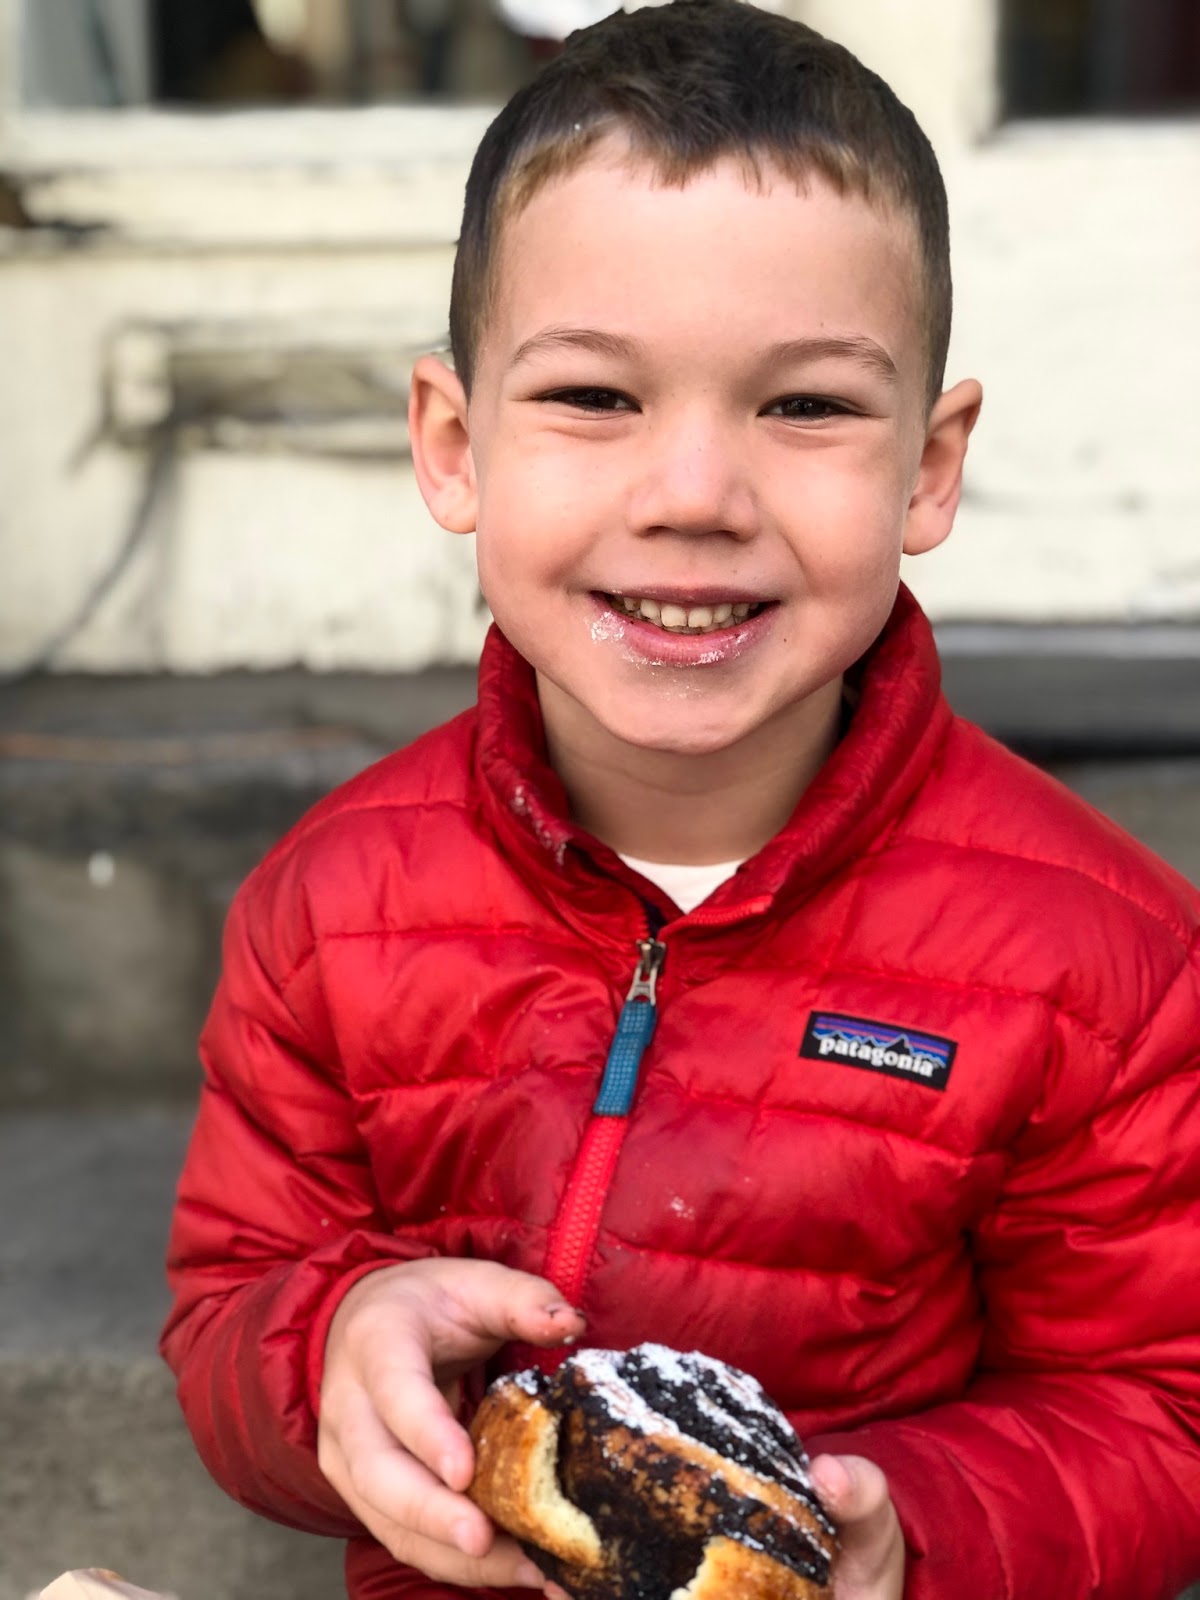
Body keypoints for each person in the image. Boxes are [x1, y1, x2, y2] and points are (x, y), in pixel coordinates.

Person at [160, 4, 1200, 1598]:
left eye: (806, 408)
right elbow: (232, 1305)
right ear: (452, 445)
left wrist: (913, 1530)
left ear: (929, 469)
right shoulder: (329, 911)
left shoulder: (1103, 964)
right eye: (595, 397)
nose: (696, 496)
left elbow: (1160, 1409)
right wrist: (333, 1349)